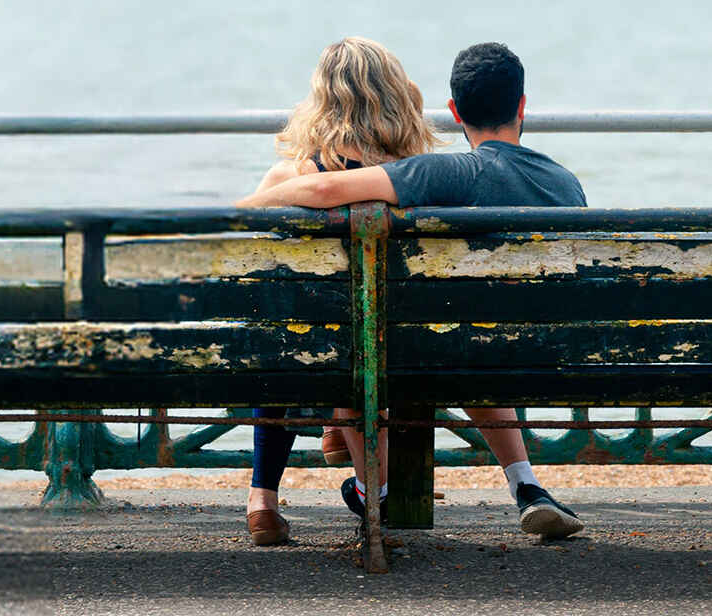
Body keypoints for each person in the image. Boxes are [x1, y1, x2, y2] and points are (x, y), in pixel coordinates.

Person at [237, 41, 587, 540]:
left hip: (358, 357)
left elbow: (317, 196)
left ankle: (330, 490)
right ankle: (525, 484)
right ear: (523, 105)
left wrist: (236, 211)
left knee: (309, 336)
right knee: (447, 338)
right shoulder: (556, 183)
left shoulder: (431, 175)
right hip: (531, 357)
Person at [231, 37, 438, 547]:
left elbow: (248, 269)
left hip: (315, 353)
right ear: (397, 97)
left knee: (282, 330)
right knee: (354, 341)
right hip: (406, 354)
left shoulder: (290, 179)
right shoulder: (419, 179)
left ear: (321, 99)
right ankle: (356, 460)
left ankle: (262, 499)